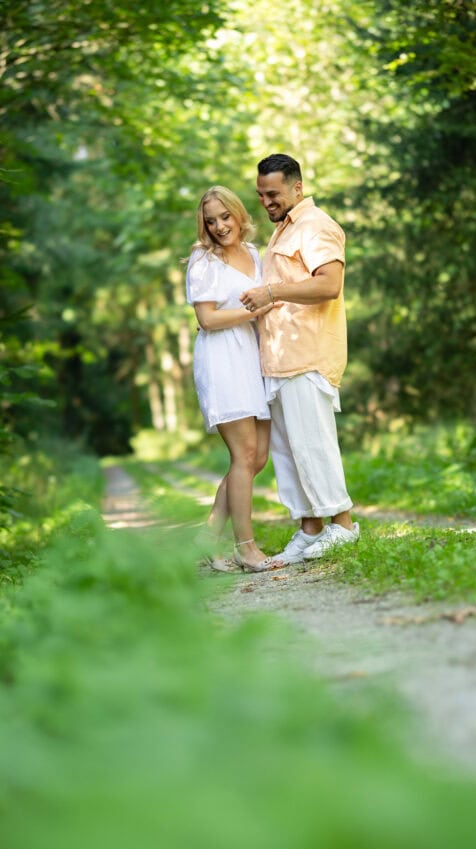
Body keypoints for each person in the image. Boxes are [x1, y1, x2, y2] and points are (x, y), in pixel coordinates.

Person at [239, 154, 359, 564]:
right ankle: (309, 531)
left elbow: (329, 284)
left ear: (297, 188)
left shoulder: (316, 226)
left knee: (313, 445)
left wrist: (272, 294)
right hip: (277, 359)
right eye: (260, 195)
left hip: (308, 356)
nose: (266, 202)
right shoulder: (280, 233)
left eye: (273, 193)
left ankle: (342, 526)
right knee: (288, 453)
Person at [185, 185, 281, 573]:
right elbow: (206, 319)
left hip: (252, 358)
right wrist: (255, 310)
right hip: (222, 358)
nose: (220, 226)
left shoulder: (256, 254)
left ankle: (206, 539)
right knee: (242, 456)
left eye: (225, 217)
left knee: (257, 457)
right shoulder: (203, 261)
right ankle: (246, 547)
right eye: (211, 221)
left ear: (239, 215)